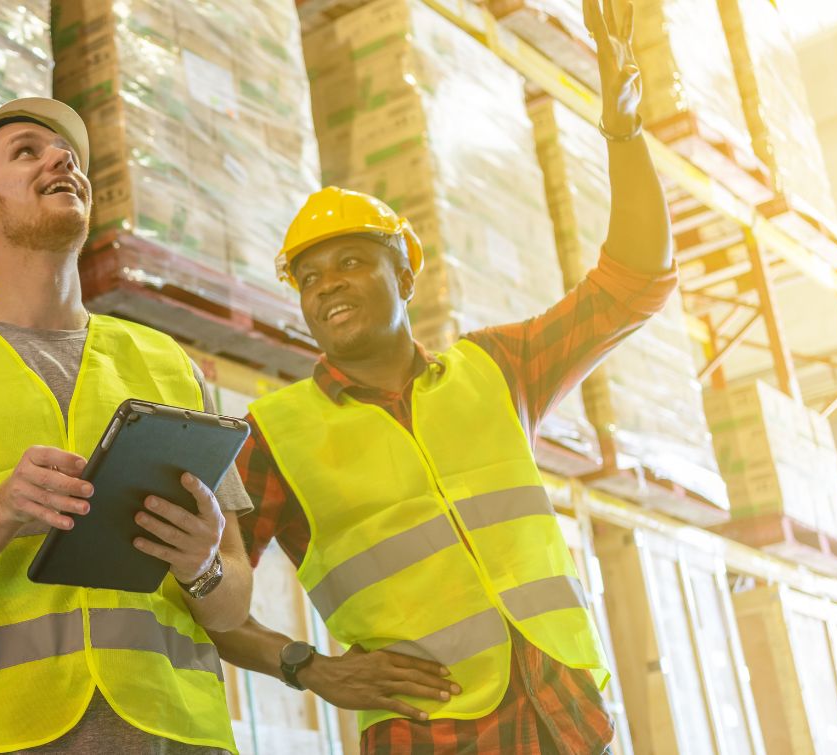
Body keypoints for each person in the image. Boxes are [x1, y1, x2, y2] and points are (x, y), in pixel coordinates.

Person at [209, 2, 668, 752]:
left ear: (406, 275)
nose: (328, 285)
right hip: (429, 737)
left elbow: (634, 284)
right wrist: (306, 667)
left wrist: (623, 133)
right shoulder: (275, 432)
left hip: (566, 716)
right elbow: (207, 598)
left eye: (352, 261)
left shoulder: (496, 368)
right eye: (310, 277)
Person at [0, 98, 252, 754]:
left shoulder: (170, 365)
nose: (63, 159)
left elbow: (232, 603)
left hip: (175, 735)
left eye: (66, 154)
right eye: (28, 150)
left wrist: (203, 565)